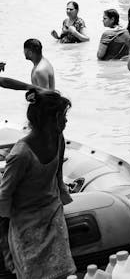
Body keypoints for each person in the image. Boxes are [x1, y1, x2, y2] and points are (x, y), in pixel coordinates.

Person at [0, 89, 75, 279]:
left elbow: (57, 178)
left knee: (63, 272)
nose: (66, 121)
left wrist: (65, 205)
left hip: (53, 215)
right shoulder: (21, 154)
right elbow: (5, 195)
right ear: (50, 120)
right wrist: (5, 242)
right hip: (26, 222)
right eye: (62, 116)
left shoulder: (58, 140)